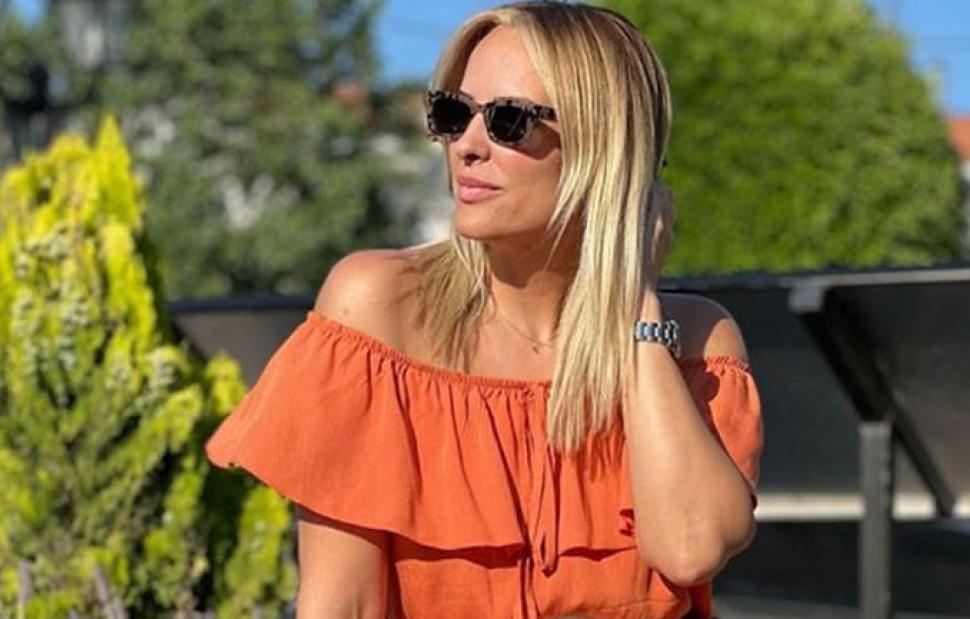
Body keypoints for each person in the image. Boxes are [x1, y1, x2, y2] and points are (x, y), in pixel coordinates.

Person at [205, 2, 764, 618]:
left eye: (508, 121)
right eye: (452, 114)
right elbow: (342, 606)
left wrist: (634, 300)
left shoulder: (694, 341)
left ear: (602, 150)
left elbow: (689, 549)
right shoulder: (380, 311)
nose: (467, 147)